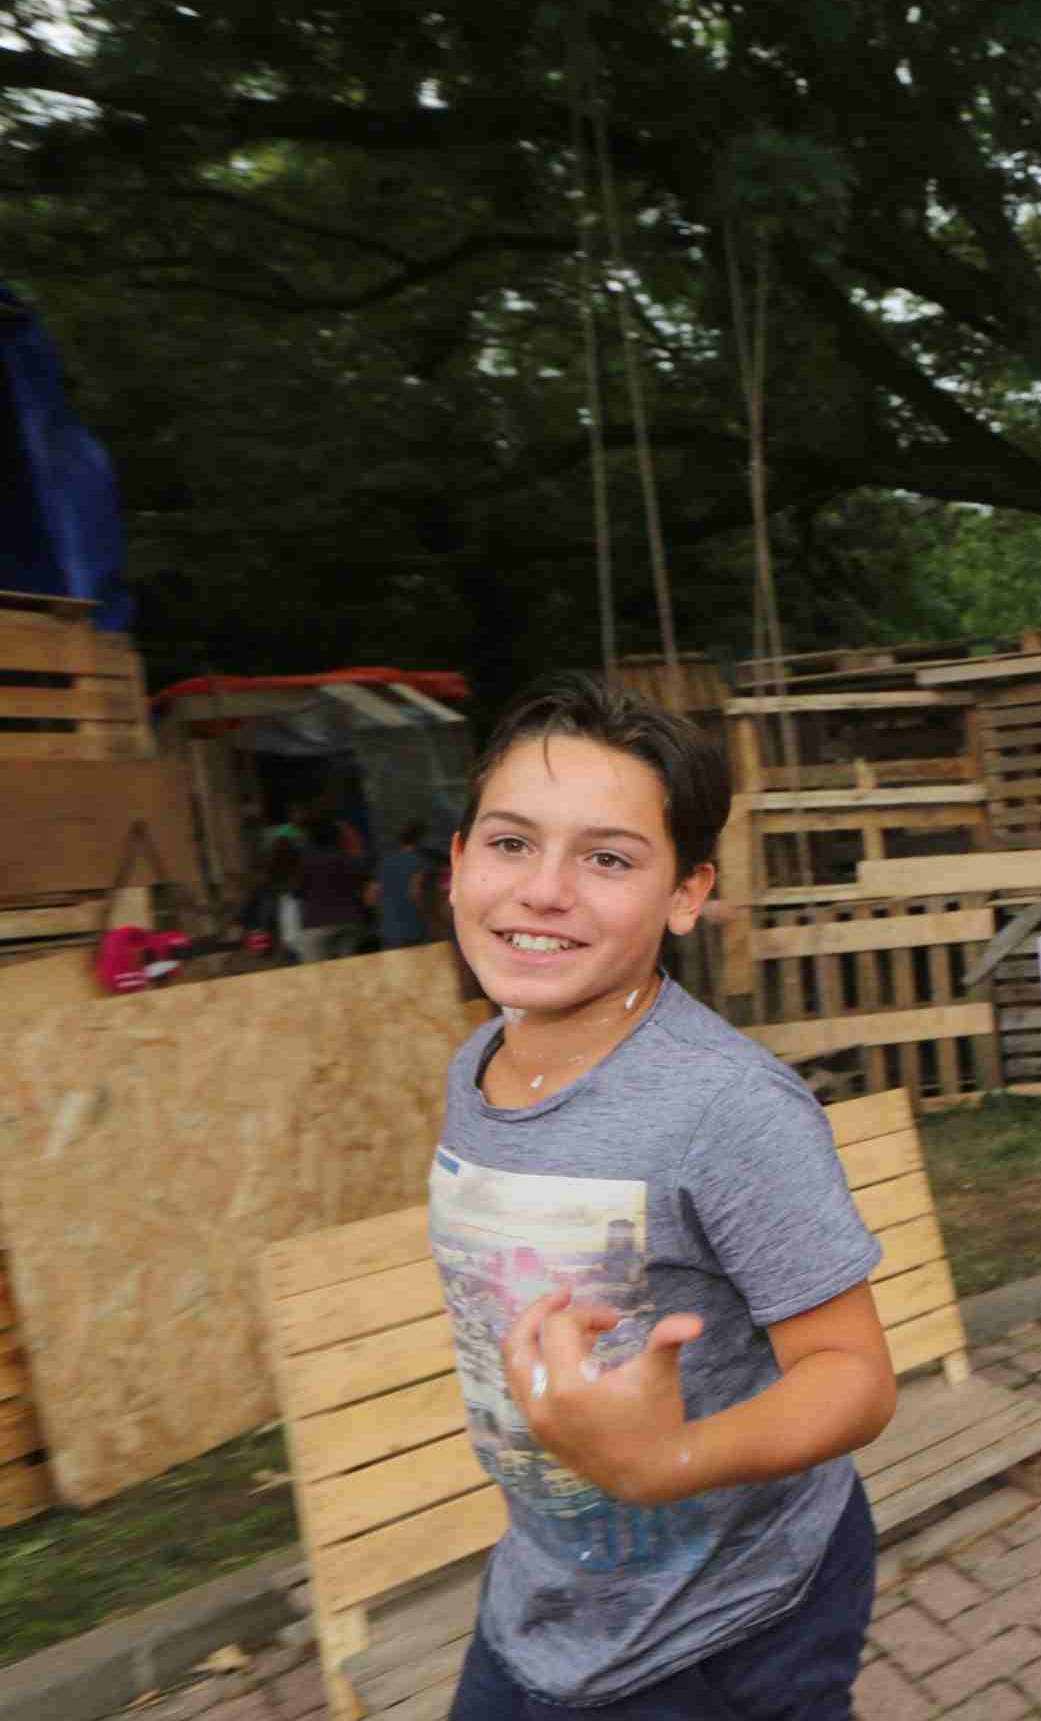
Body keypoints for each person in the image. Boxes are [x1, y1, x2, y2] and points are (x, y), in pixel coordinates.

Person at [434, 673, 895, 1721]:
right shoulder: (477, 1065)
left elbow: (855, 1378)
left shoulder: (728, 1108)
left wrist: (664, 1460)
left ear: (686, 895)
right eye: (511, 843)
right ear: (457, 866)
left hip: (729, 1625)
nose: (544, 890)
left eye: (607, 858)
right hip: (544, 1600)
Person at [289, 816, 367, 962]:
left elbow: (296, 892)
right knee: (348, 969)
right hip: (349, 921)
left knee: (317, 972)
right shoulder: (345, 858)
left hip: (317, 924)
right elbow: (360, 882)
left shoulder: (306, 861)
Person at [374, 820, 433, 948]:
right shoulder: (421, 862)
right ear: (420, 840)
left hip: (389, 929)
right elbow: (416, 893)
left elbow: (375, 894)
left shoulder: (385, 863)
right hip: (413, 928)